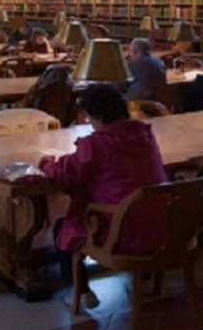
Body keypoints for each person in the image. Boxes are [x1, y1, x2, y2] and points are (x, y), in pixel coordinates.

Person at [39, 85, 167, 309]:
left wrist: (46, 163)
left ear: (95, 115)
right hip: (162, 224)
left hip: (122, 231)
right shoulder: (144, 134)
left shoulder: (97, 144)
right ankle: (144, 278)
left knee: (63, 226)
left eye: (89, 118)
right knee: (136, 203)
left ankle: (81, 290)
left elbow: (66, 172)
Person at [123, 37, 167, 101]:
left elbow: (122, 82)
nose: (129, 54)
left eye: (130, 50)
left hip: (139, 99)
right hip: (158, 99)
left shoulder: (136, 63)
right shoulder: (159, 60)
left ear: (135, 51)